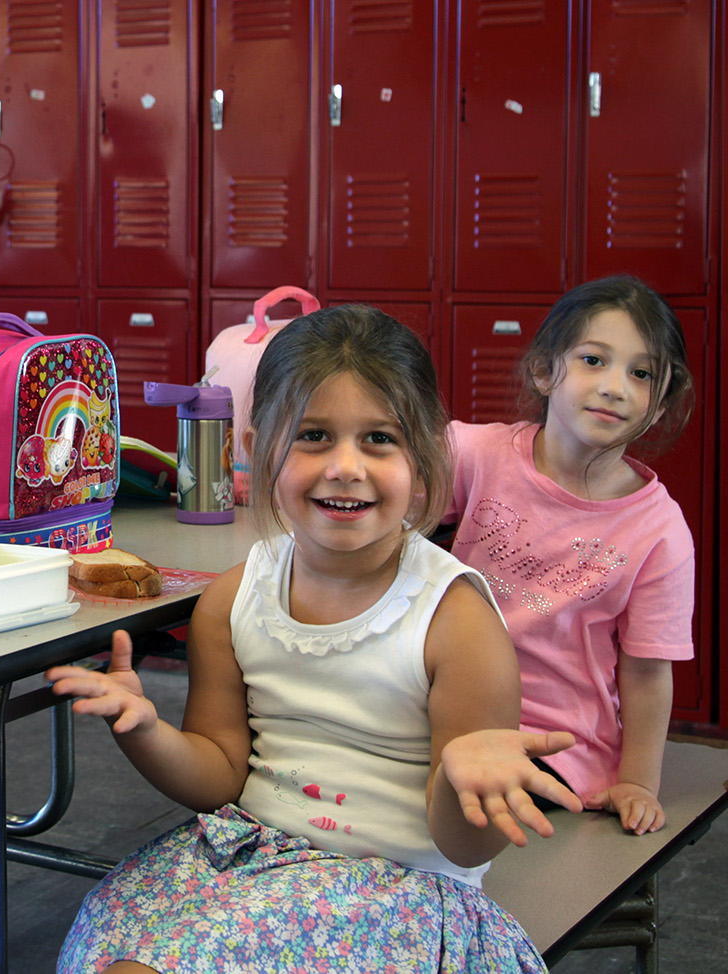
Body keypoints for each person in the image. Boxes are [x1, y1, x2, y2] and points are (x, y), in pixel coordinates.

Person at [47, 305, 582, 974]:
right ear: (256, 445)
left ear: (425, 456)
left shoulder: (454, 618)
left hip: (398, 890)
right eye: (314, 436)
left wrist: (462, 778)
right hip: (248, 853)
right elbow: (219, 773)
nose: (345, 467)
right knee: (106, 951)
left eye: (379, 440)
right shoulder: (233, 600)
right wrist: (143, 730)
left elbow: (464, 848)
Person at [445, 276, 695, 837]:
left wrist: (638, 782)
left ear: (659, 404)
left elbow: (649, 671)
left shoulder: (659, 532)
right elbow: (388, 500)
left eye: (642, 373)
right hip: (447, 709)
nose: (615, 386)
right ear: (543, 371)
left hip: (557, 746)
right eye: (593, 360)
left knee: (467, 808)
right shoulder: (476, 453)